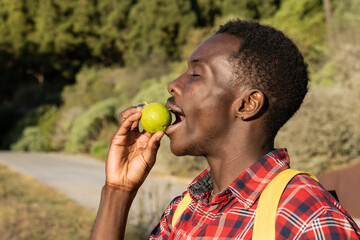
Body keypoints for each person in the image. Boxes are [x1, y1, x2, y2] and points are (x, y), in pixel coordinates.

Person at [90, 19, 360, 239]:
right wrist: (118, 191)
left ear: (247, 104)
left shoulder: (307, 220)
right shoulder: (183, 211)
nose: (172, 84)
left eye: (196, 75)